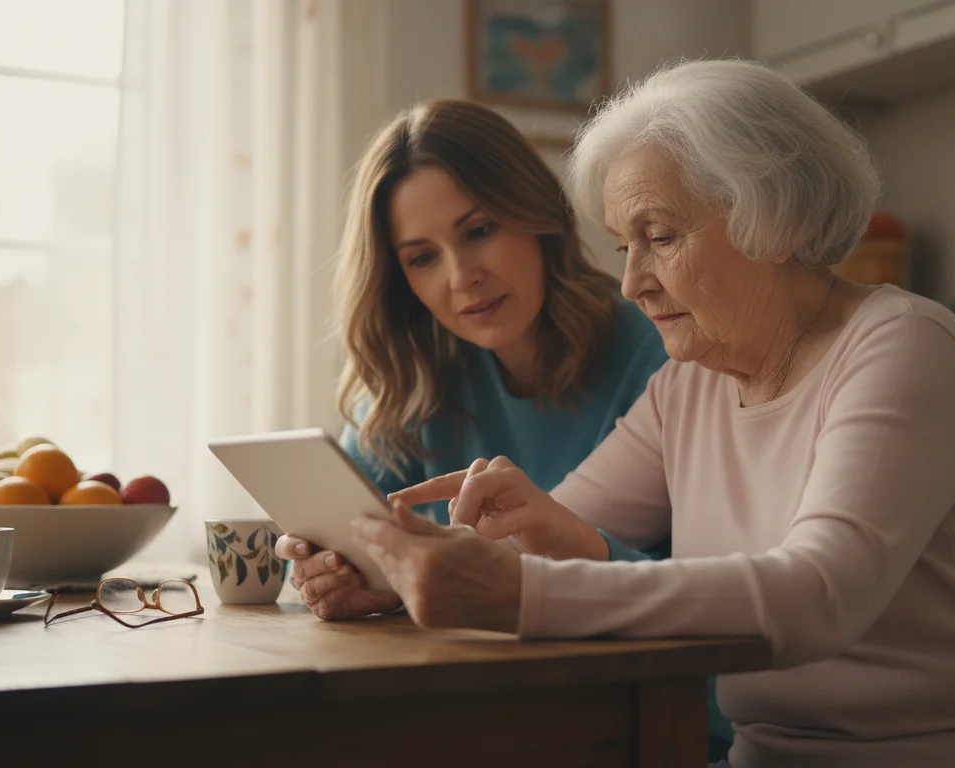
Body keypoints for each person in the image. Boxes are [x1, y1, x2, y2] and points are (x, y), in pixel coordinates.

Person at [344, 60, 955, 767]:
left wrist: (519, 589)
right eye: (622, 245)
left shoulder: (902, 347)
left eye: (660, 237)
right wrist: (405, 572)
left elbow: (816, 599)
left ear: (773, 214)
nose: (632, 281)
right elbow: (547, 524)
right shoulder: (690, 386)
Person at [277, 98, 667, 616]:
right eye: (423, 258)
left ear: (537, 214)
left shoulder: (660, 354)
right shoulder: (410, 387)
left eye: (480, 231)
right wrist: (330, 573)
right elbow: (338, 549)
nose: (462, 278)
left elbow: (703, 581)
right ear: (401, 281)